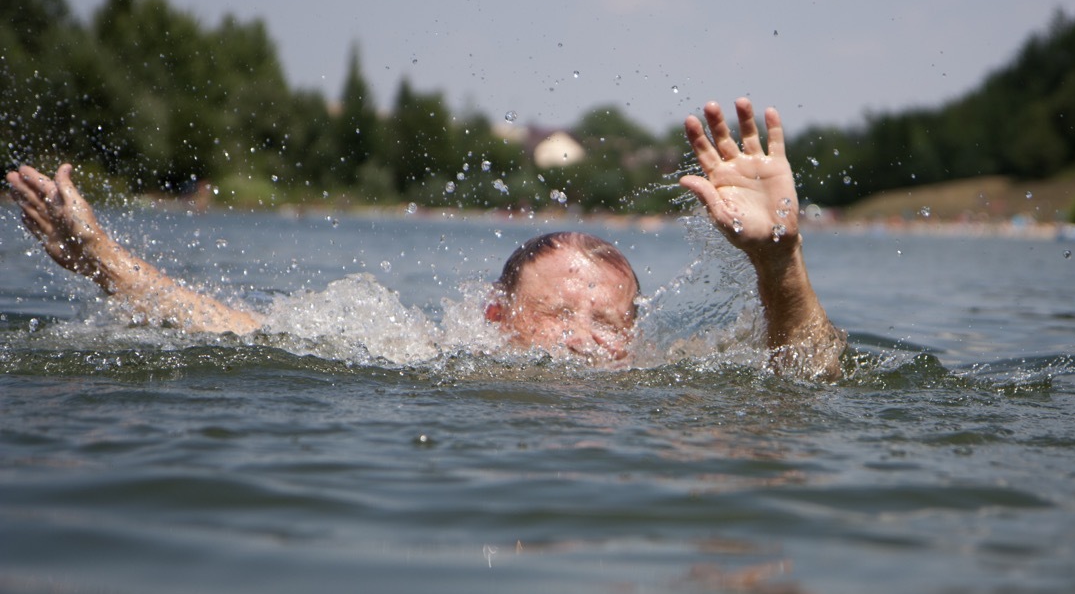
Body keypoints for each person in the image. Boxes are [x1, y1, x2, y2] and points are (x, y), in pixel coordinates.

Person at [6, 98, 846, 379]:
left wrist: (781, 265)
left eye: (609, 326)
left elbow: (810, 373)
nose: (585, 341)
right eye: (558, 315)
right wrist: (101, 258)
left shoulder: (660, 383)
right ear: (492, 317)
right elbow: (231, 331)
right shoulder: (423, 353)